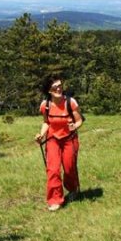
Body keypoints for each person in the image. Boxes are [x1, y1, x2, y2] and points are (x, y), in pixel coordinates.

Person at [35, 76, 84, 211]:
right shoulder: (45, 105)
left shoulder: (70, 102)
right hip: (52, 139)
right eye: (55, 87)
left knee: (69, 168)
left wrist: (74, 126)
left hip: (69, 139)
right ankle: (55, 200)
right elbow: (46, 122)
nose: (58, 89)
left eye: (60, 86)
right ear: (49, 90)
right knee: (53, 170)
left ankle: (73, 189)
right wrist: (41, 134)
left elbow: (79, 120)